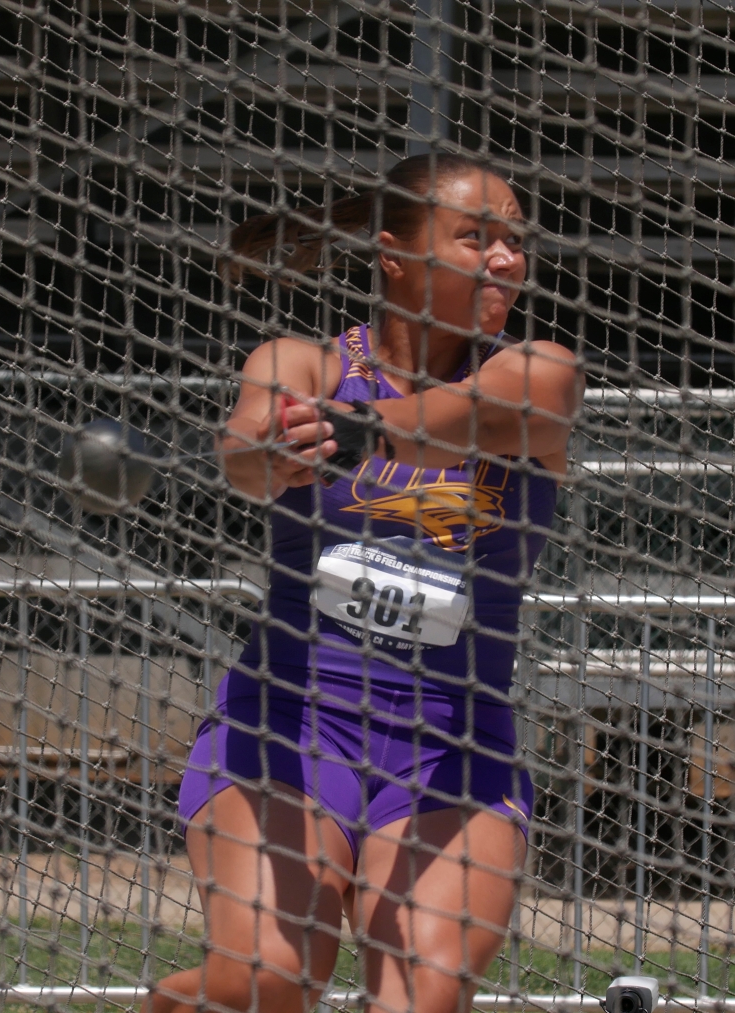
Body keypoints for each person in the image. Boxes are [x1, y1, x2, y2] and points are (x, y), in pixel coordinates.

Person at [150, 153, 583, 1013]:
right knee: (264, 981)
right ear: (394, 254)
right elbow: (243, 448)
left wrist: (354, 432)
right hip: (288, 726)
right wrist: (268, 450)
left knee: (422, 997)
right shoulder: (302, 364)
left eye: (514, 242)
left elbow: (461, 419)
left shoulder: (538, 370)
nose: (505, 258)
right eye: (475, 238)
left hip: (453, 748)